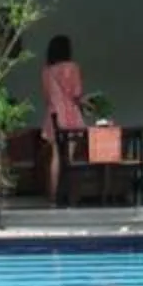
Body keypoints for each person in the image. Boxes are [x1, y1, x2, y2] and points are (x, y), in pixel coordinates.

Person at [40, 34, 87, 199]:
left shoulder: (46, 71)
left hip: (53, 115)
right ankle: (71, 194)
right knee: (70, 157)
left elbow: (46, 97)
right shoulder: (72, 67)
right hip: (70, 115)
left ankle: (53, 195)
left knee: (56, 156)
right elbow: (77, 93)